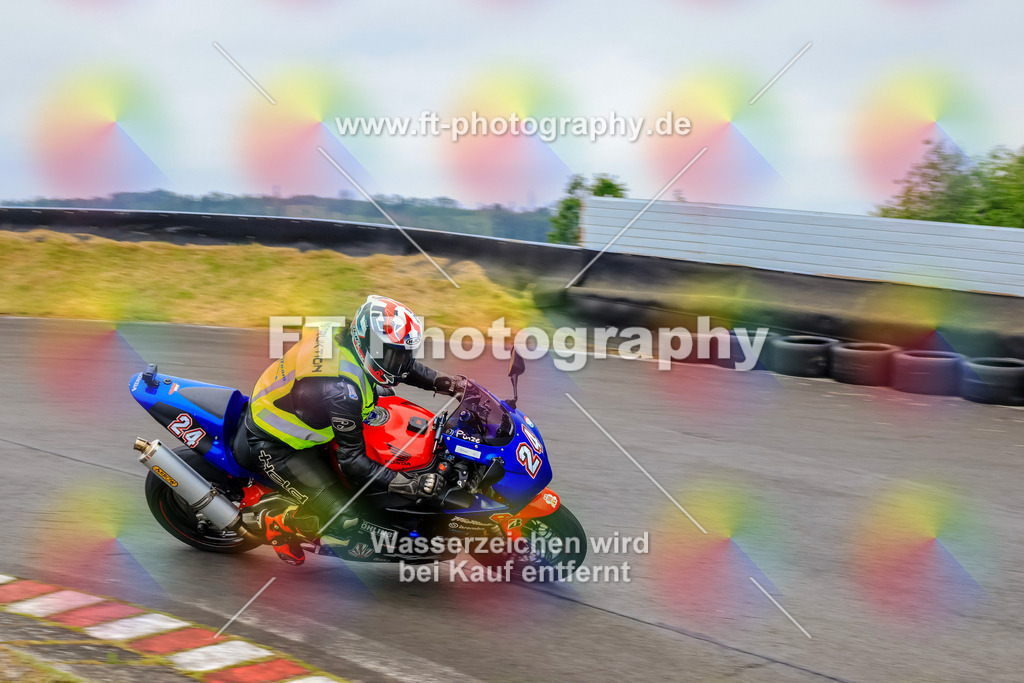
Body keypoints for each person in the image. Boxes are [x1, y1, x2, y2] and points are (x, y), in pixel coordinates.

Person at [242, 295, 463, 565]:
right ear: (365, 343)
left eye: (402, 354)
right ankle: (279, 524)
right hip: (278, 444)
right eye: (392, 355)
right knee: (346, 522)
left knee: (387, 400)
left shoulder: (346, 333)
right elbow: (353, 463)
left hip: (306, 407)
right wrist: (409, 484)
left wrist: (446, 383)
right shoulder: (342, 390)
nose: (399, 362)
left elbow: (401, 368)